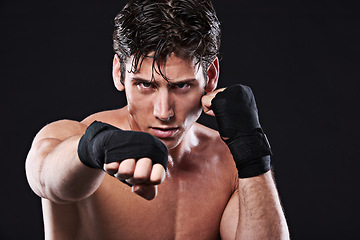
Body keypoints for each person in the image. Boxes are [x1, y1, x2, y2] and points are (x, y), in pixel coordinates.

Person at [25, 0, 290, 239]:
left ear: (210, 77)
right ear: (119, 73)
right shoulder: (73, 137)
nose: (164, 112)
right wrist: (92, 148)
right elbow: (45, 177)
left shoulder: (228, 162)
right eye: (145, 85)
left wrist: (252, 152)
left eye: (182, 86)